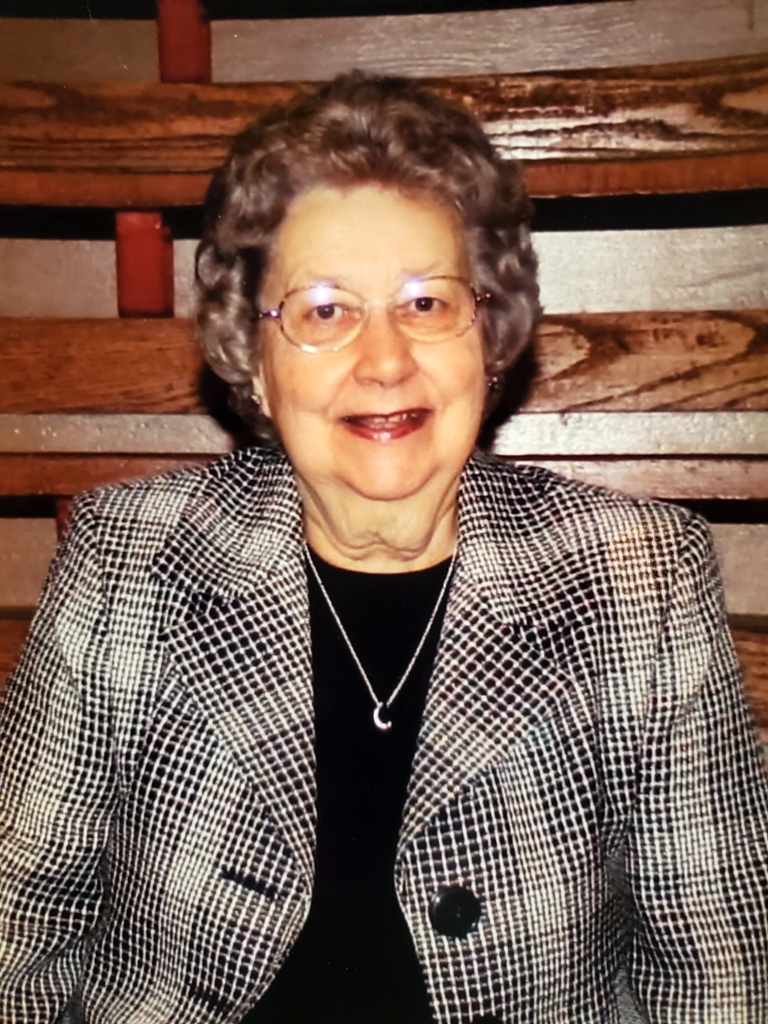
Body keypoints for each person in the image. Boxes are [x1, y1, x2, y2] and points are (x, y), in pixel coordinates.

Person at [1, 71, 767, 1024]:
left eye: (426, 303)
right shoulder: (128, 558)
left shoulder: (638, 579)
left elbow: (717, 977)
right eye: (324, 310)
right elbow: (16, 929)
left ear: (488, 336)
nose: (386, 360)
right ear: (255, 359)